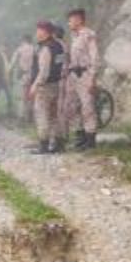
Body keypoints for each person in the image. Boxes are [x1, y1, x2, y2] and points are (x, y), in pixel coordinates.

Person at [27, 20, 66, 154]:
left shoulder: (45, 49)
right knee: (55, 116)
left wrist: (34, 87)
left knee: (42, 115)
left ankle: (43, 145)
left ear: (45, 32)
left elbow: (43, 72)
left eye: (39, 30)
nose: (36, 33)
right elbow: (64, 64)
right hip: (57, 84)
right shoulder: (60, 45)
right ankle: (59, 143)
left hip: (44, 87)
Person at [66, 9, 101, 149]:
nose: (69, 23)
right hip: (73, 75)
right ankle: (80, 136)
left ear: (79, 20)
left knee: (87, 106)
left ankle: (90, 139)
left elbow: (95, 57)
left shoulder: (88, 35)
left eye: (71, 20)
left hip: (85, 74)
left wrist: (92, 77)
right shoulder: (74, 36)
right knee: (73, 106)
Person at [11, 34, 36, 123]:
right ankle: (30, 116)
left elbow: (13, 63)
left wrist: (11, 72)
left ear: (23, 40)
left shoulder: (19, 49)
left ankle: (21, 117)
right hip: (33, 76)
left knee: (22, 98)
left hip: (23, 75)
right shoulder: (34, 49)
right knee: (31, 97)